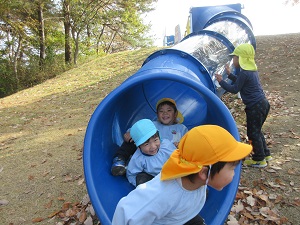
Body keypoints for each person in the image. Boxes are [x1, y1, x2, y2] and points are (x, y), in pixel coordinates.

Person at [112, 125, 252, 225]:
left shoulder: (197, 178)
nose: (234, 173)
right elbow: (125, 212)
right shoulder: (162, 195)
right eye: (232, 168)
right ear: (204, 173)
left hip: (182, 216)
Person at [215, 43, 271, 168]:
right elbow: (241, 83)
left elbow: (235, 89)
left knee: (253, 133)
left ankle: (259, 159)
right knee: (257, 131)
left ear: (241, 58)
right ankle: (265, 154)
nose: (233, 60)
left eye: (235, 57)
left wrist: (221, 81)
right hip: (263, 103)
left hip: (255, 106)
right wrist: (229, 74)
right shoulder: (250, 71)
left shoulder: (245, 73)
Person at [111, 98, 188, 176]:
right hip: (145, 152)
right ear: (157, 114)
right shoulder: (153, 124)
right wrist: (130, 132)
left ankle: (145, 176)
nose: (165, 113)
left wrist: (180, 145)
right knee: (134, 139)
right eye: (161, 111)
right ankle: (120, 159)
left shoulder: (181, 128)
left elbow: (188, 142)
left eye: (169, 110)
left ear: (175, 114)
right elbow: (139, 128)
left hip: (166, 159)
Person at [126, 119, 176, 186]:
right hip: (153, 180)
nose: (153, 147)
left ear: (159, 137)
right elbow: (131, 174)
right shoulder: (138, 158)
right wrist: (139, 186)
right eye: (146, 144)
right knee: (141, 178)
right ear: (138, 147)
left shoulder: (166, 146)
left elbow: (178, 157)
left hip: (171, 174)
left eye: (155, 140)